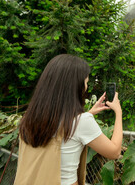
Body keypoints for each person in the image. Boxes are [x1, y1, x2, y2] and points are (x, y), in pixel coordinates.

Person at [14, 54, 123, 185]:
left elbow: (63, 129)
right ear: (75, 86)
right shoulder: (81, 122)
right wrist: (118, 112)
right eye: (86, 82)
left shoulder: (30, 117)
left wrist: (88, 113)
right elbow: (114, 152)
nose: (86, 87)